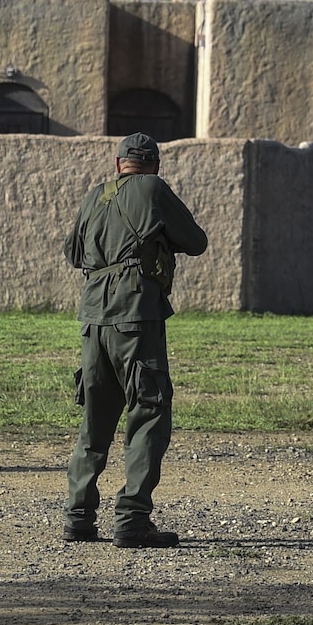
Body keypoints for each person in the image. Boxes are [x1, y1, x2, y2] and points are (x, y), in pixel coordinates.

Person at [61, 133, 209, 548]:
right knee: (148, 411)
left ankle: (78, 516)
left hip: (93, 319)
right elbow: (196, 241)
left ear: (118, 163)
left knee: (96, 415)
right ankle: (132, 518)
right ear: (155, 165)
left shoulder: (96, 195)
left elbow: (73, 253)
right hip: (137, 316)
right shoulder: (154, 189)